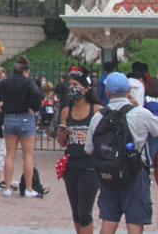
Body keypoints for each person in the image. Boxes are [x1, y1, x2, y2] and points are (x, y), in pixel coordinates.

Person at [84, 71, 158, 234]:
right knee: (135, 220)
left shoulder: (98, 117)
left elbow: (89, 149)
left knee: (109, 219)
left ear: (107, 92)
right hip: (135, 172)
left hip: (108, 174)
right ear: (129, 91)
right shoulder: (139, 113)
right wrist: (137, 106)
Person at [56, 67, 102, 234]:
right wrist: (62, 132)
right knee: (76, 212)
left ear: (86, 88)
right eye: (70, 85)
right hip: (71, 164)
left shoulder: (97, 110)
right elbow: (62, 142)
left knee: (85, 212)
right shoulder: (66, 111)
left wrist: (89, 137)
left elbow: (104, 139)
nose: (72, 88)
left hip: (89, 165)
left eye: (75, 84)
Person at [0, 55, 43, 197]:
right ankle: (28, 188)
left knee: (10, 154)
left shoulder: (6, 82)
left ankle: (7, 187)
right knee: (27, 156)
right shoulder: (29, 82)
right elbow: (37, 94)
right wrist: (34, 107)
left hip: (9, 117)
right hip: (25, 117)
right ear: (25, 71)